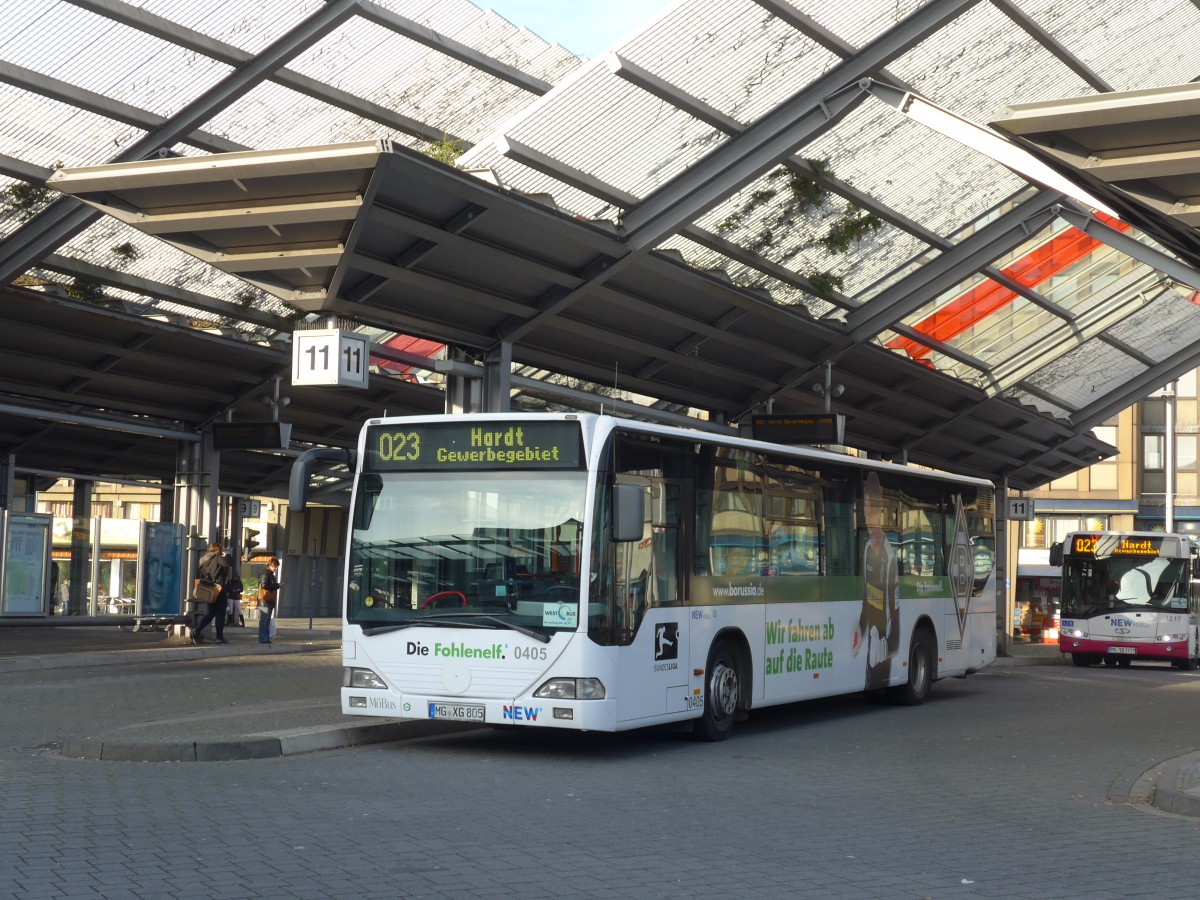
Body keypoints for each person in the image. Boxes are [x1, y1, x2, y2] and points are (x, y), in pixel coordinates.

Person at [852, 471, 899, 690]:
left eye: (871, 511)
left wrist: (888, 645)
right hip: (871, 644)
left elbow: (895, 610)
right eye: (865, 510)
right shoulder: (867, 549)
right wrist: (859, 630)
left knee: (880, 688)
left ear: (879, 510)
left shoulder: (890, 556)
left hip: (883, 646)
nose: (867, 517)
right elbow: (866, 600)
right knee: (868, 685)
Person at [193, 541, 231, 644]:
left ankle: (197, 630)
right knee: (220, 614)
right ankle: (219, 637)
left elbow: (199, 575)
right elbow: (228, 563)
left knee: (211, 613)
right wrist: (226, 555)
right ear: (219, 550)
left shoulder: (203, 561)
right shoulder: (218, 558)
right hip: (218, 589)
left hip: (208, 590)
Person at [258, 557, 281, 645]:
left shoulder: (269, 574)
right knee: (264, 620)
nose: (275, 568)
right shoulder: (265, 574)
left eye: (276, 566)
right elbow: (264, 586)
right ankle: (263, 638)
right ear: (270, 565)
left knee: (267, 620)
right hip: (264, 600)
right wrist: (276, 586)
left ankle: (265, 638)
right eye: (274, 566)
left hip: (268, 600)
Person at [225, 556, 245, 627]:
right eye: (234, 577)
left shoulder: (236, 582)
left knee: (238, 610)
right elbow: (227, 588)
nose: (235, 578)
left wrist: (236, 590)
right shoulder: (235, 582)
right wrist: (236, 590)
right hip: (233, 596)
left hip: (235, 597)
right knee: (231, 610)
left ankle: (237, 622)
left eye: (236, 577)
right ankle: (231, 622)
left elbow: (242, 589)